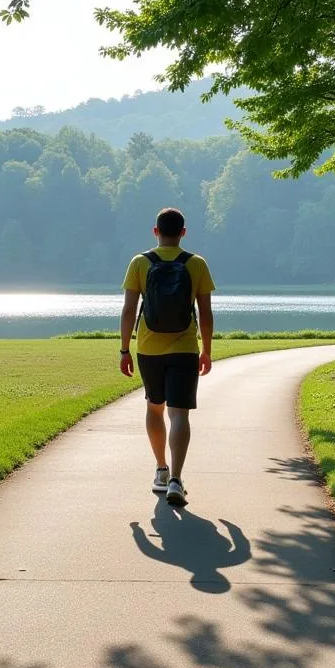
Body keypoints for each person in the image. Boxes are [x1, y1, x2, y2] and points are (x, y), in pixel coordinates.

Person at [120, 206, 215, 507]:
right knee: (179, 414)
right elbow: (206, 312)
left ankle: (160, 470)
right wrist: (207, 350)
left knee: (154, 408)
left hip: (149, 347)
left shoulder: (140, 262)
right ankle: (176, 478)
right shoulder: (196, 264)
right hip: (185, 347)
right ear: (183, 232)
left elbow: (128, 310)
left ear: (155, 231)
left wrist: (124, 349)